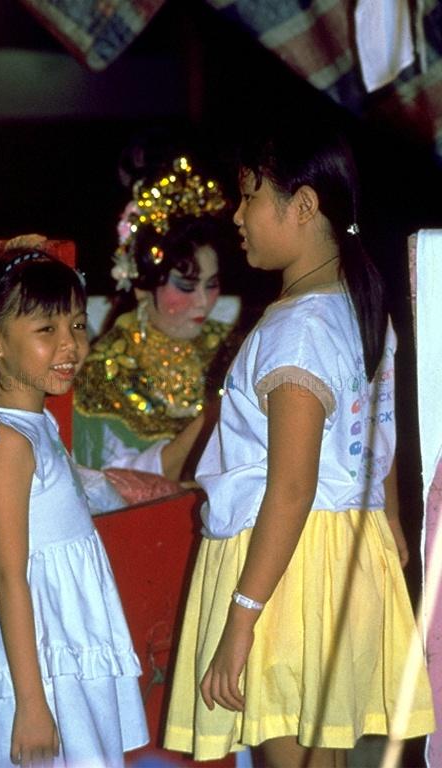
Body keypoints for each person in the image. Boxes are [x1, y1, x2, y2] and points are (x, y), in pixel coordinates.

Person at [164, 123, 435, 767]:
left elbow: (291, 486)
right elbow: (376, 428)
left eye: (250, 196)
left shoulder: (298, 328)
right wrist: (388, 516)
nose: (237, 214)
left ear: (304, 205)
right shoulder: (356, 307)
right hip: (335, 556)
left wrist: (239, 621)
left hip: (284, 568)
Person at [0, 247, 148, 767]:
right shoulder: (7, 441)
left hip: (65, 644)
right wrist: (33, 705)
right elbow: (9, 576)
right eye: (46, 330)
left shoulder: (29, 426)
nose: (71, 345)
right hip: (40, 662)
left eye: (78, 324)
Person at [73, 156, 239, 482]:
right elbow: (111, 484)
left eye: (212, 284)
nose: (204, 301)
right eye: (187, 286)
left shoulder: (235, 348)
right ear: (142, 288)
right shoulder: (104, 373)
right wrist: (211, 419)